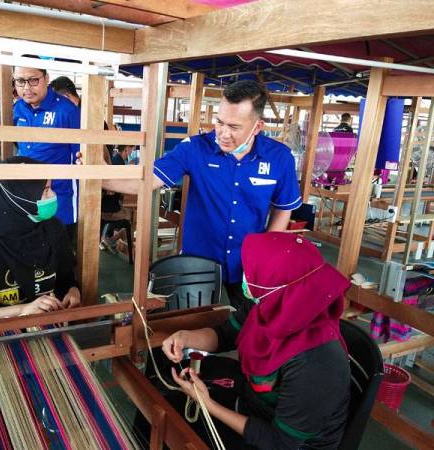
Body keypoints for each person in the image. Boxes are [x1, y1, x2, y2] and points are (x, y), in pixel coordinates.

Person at [97, 80, 301, 306]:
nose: (223, 133)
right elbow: (145, 181)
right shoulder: (195, 148)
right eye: (219, 122)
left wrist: (266, 253)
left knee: (243, 330)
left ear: (257, 126)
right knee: (190, 325)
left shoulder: (279, 158)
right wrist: (96, 175)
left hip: (248, 265)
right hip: (197, 264)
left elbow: (284, 208)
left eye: (234, 127)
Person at [162, 232, 351, 449]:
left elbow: (279, 442)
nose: (245, 278)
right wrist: (185, 337)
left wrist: (209, 405)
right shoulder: (271, 305)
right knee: (170, 397)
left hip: (283, 443)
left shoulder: (317, 362)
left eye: (252, 273)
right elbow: (225, 335)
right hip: (256, 407)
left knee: (176, 428)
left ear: (279, 286)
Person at [0, 156, 80, 322]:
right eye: (45, 190)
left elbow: (66, 279)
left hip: (49, 327)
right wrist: (24, 310)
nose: (52, 195)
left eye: (50, 188)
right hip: (0, 336)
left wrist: (73, 291)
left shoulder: (54, 229)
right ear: (17, 200)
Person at [12, 61, 81, 241]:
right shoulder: (18, 109)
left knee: (60, 258)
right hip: (27, 199)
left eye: (33, 80)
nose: (26, 87)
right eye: (20, 81)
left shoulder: (67, 111)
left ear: (46, 78)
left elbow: (80, 157)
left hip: (60, 200)